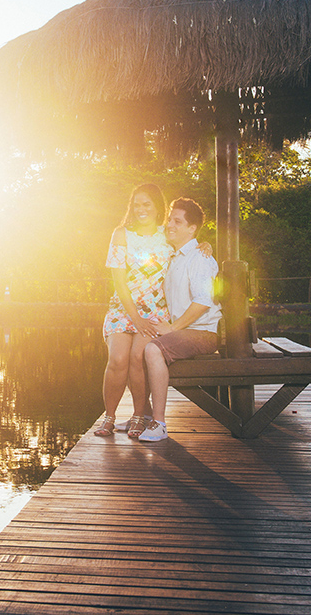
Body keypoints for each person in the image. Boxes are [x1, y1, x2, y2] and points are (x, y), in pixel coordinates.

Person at [95, 186, 212, 439]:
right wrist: (134, 318)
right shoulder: (121, 234)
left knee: (138, 356)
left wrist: (205, 244)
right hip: (123, 309)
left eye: (147, 204)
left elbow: (187, 244)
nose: (141, 210)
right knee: (117, 359)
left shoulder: (166, 235)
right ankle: (109, 416)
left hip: (155, 312)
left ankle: (140, 415)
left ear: (158, 207)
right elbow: (119, 281)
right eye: (137, 204)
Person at [135, 197, 222, 442]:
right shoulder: (175, 256)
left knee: (153, 350)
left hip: (204, 332)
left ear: (191, 228)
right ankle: (142, 415)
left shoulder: (200, 258)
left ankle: (159, 424)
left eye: (177, 221)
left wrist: (171, 328)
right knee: (136, 347)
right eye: (169, 219)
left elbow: (203, 301)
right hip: (183, 332)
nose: (169, 225)